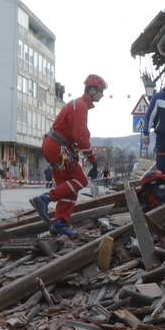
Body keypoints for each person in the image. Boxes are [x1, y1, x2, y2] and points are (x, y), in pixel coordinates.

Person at [30, 74, 106, 237]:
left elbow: (77, 135)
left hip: (58, 147)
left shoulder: (78, 105)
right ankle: (44, 199)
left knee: (69, 187)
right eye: (101, 91)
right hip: (59, 147)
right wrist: (93, 160)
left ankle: (59, 223)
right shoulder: (79, 105)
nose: (103, 95)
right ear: (92, 90)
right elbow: (80, 136)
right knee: (80, 180)